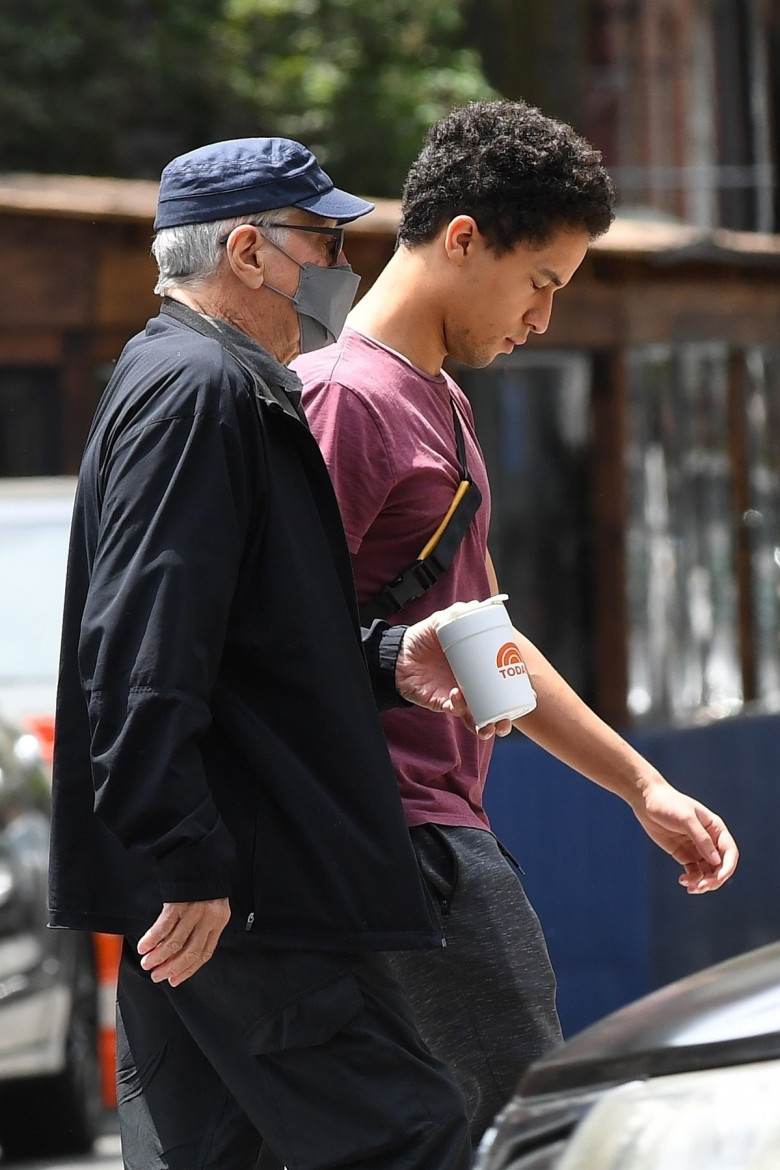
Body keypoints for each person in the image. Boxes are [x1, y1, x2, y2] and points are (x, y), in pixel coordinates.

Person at [294, 99, 740, 1147]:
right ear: (463, 239)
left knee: (472, 1130)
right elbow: (269, 637)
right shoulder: (344, 398)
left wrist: (641, 784)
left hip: (437, 825)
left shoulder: (438, 401)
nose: (543, 320)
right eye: (540, 283)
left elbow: (483, 639)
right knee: (534, 1125)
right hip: (388, 837)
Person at [47, 136, 483, 1170]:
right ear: (247, 249)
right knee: (406, 1136)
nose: (344, 271)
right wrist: (188, 857)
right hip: (243, 883)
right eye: (323, 242)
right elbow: (143, 643)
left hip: (217, 875)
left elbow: (237, 631)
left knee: (210, 1156)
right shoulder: (199, 389)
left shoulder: (188, 377)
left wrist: (382, 660)